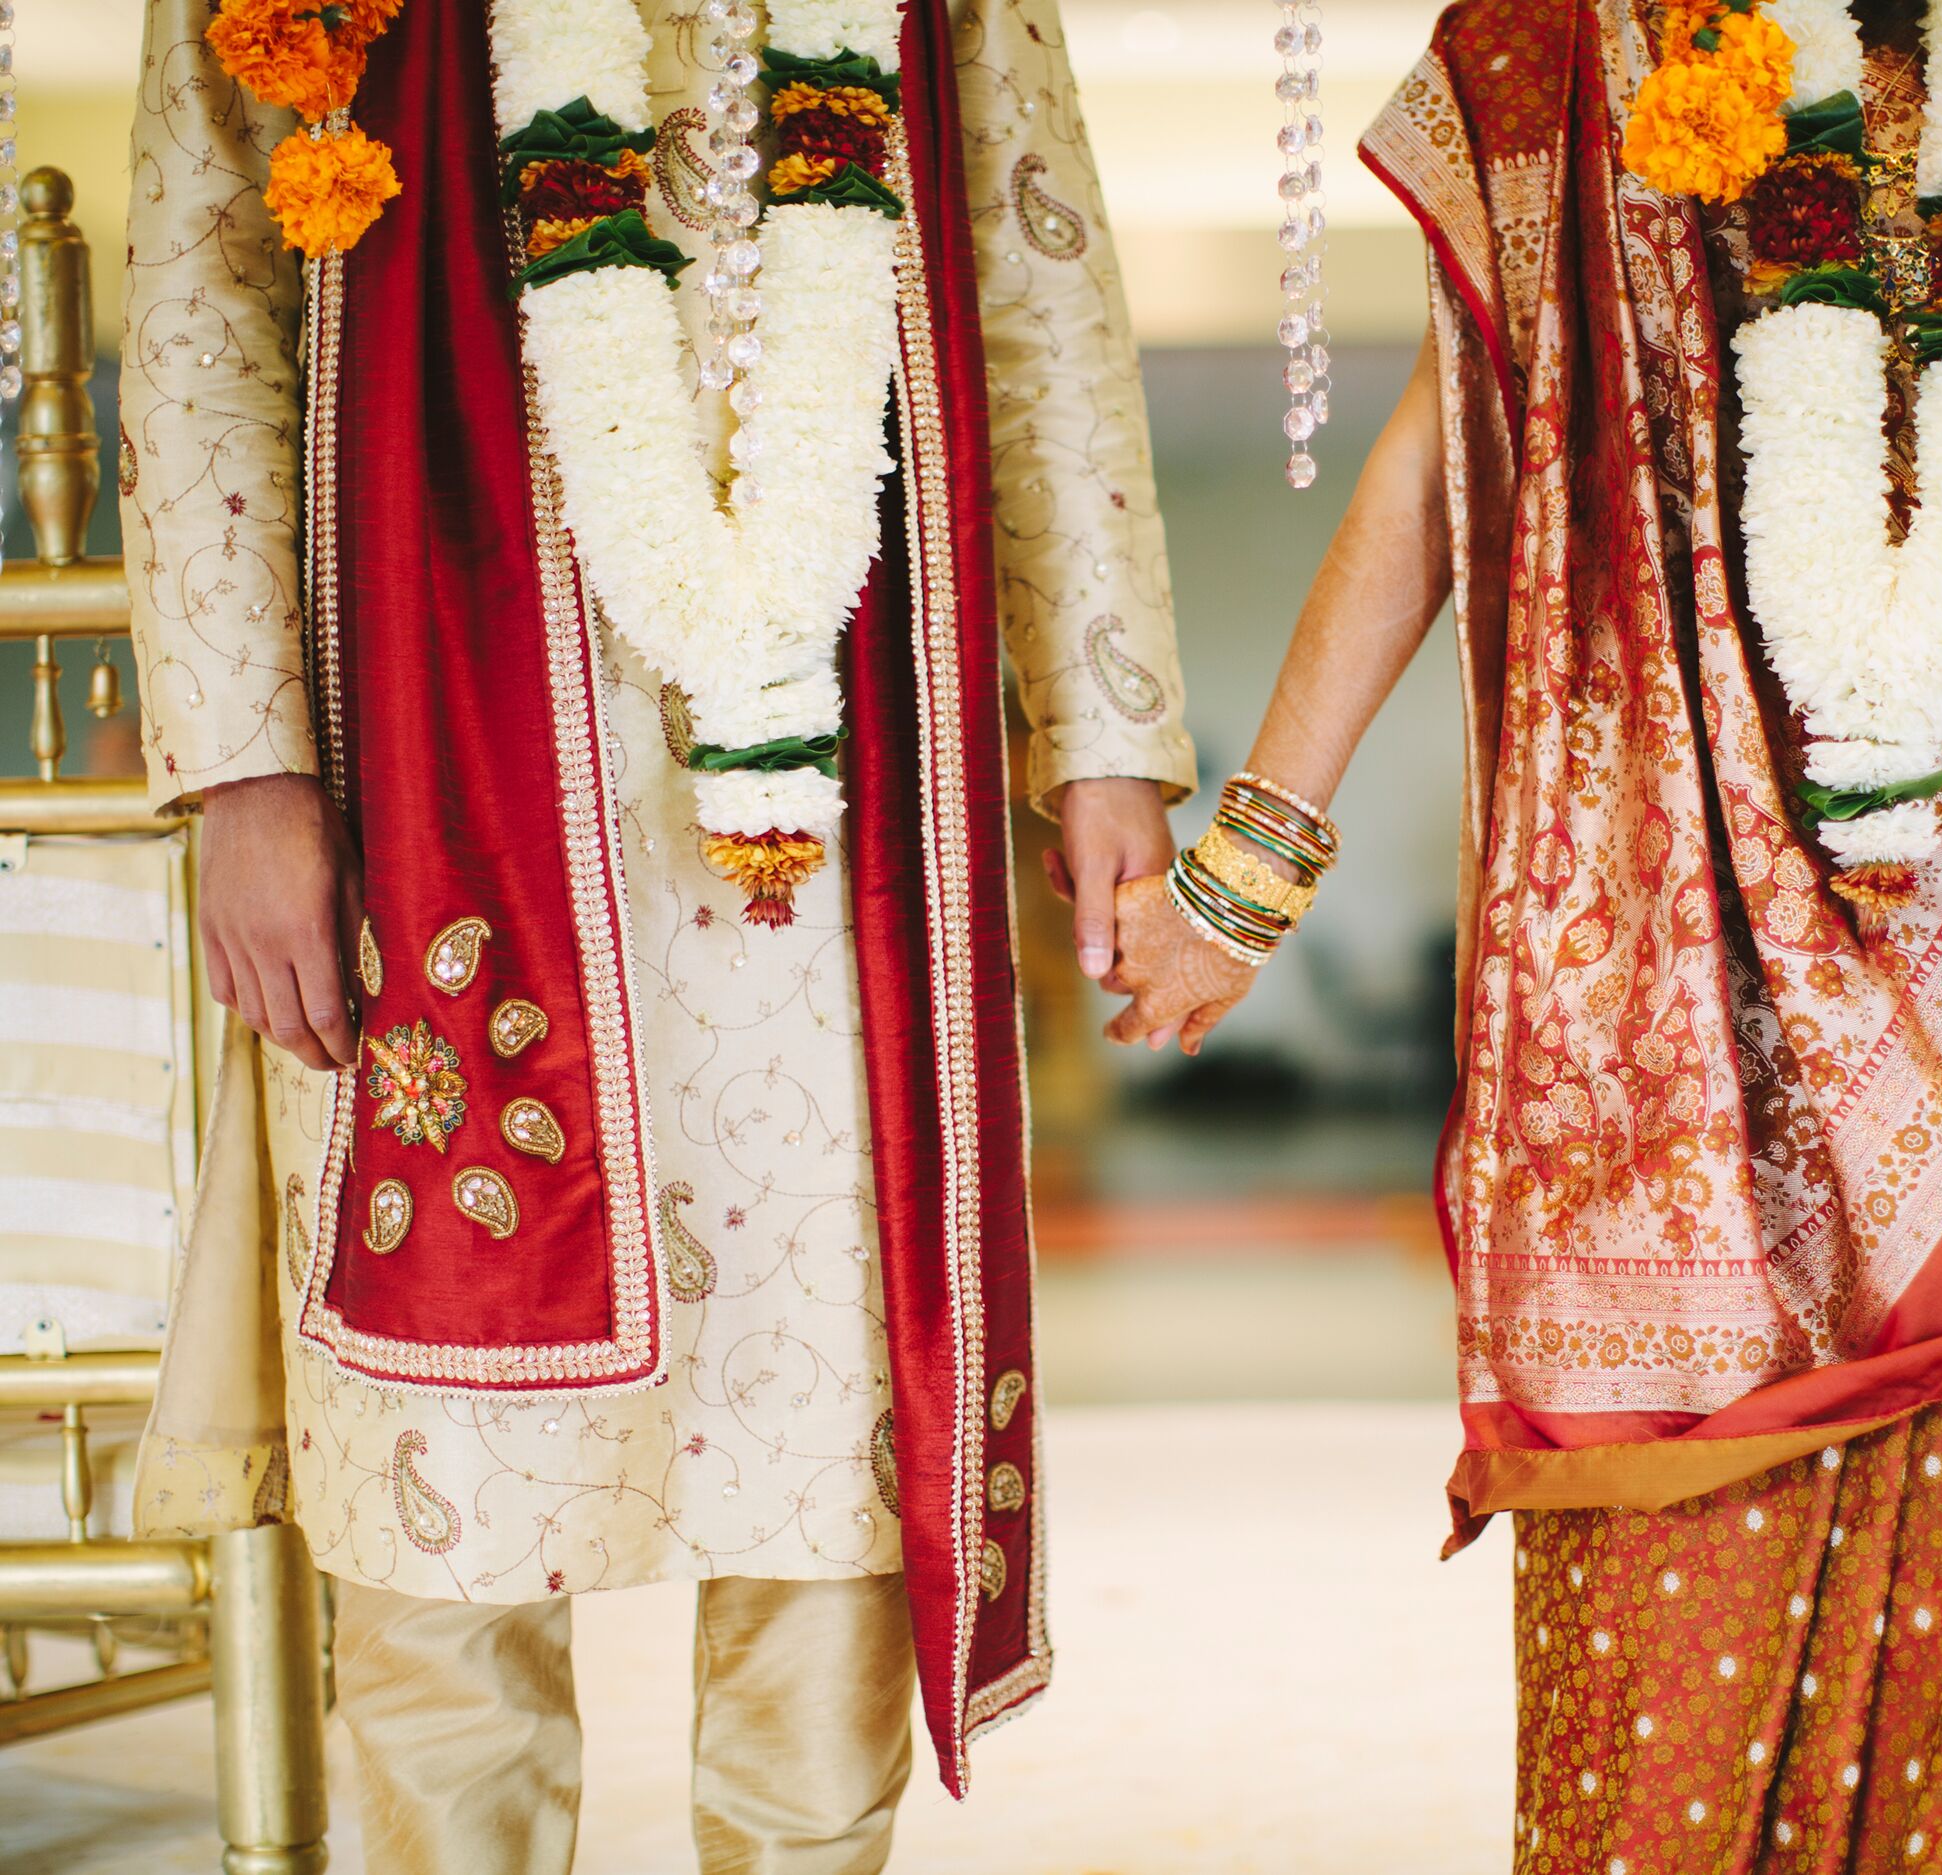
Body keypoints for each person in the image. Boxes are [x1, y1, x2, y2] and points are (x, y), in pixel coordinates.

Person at [1107, 0, 1942, 1865]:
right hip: (1674, 924)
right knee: (1662, 1647)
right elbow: (1441, 453)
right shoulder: (1574, 32)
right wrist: (1254, 852)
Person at [120, 0, 1191, 1867]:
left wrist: (1103, 736)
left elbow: (1038, 281)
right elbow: (203, 286)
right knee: (439, 1511)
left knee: (830, 1464)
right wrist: (241, 767)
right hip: (430, 752)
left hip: (839, 768)